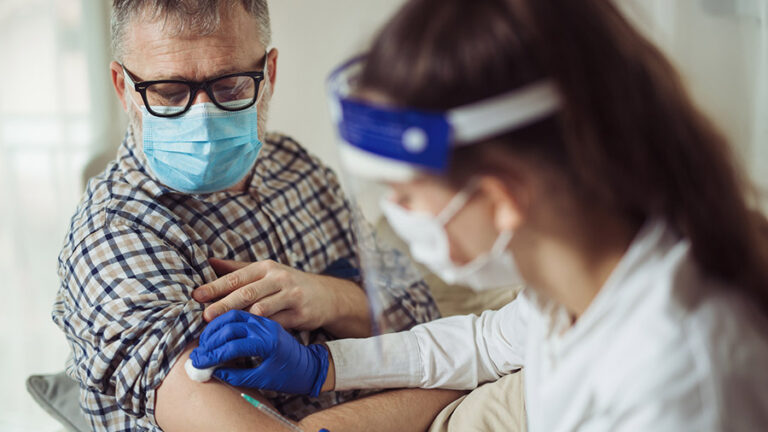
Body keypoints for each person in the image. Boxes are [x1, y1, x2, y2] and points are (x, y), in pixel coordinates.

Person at [191, 0, 768, 430]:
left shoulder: (679, 376)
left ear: (502, 198)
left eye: (407, 194)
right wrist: (322, 366)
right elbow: (490, 343)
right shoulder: (578, 274)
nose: (397, 214)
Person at [51, 1, 460, 431]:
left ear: (269, 75)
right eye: (169, 92)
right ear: (123, 88)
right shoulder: (116, 237)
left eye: (229, 86)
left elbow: (418, 310)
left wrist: (326, 297)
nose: (202, 116)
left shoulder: (294, 167)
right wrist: (451, 383)